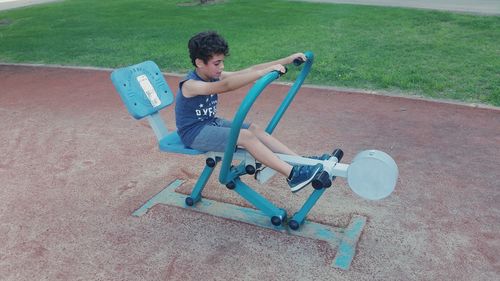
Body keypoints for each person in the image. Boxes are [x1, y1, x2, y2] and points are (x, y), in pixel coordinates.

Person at [175, 31, 325, 193]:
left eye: (222, 62)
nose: (222, 67)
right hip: (193, 133)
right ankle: (293, 175)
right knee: (244, 136)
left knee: (252, 129)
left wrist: (287, 60)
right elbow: (225, 86)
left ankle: (300, 163)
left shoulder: (212, 75)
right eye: (217, 63)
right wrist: (261, 74)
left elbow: (250, 70)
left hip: (210, 123)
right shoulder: (190, 85)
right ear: (199, 63)